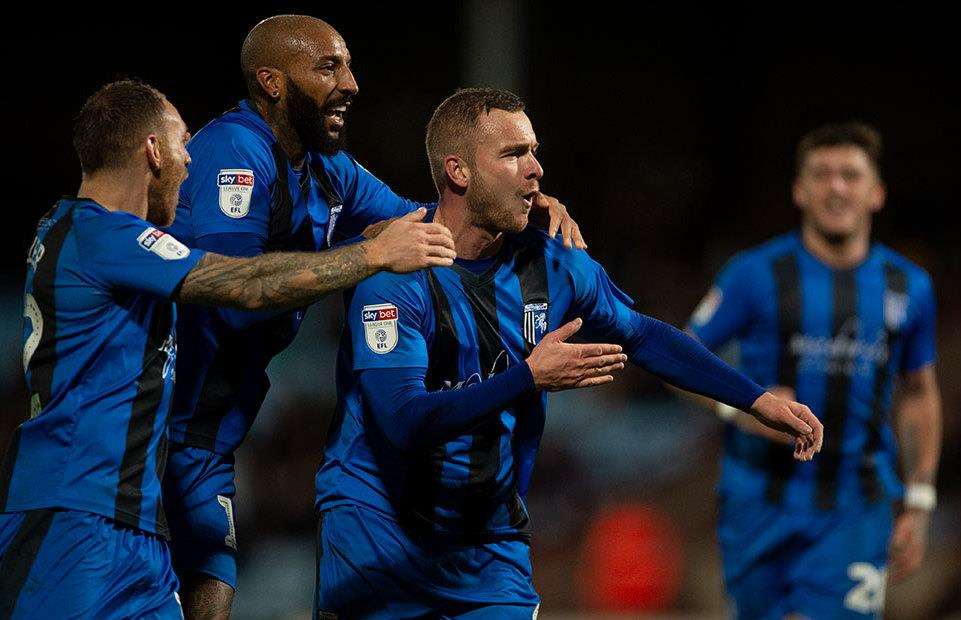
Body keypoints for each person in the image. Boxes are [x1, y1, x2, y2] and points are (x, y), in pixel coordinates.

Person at [313, 87, 823, 619]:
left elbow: (643, 334)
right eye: (513, 155)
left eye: (533, 151)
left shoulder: (556, 266)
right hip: (377, 538)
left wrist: (756, 399)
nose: (536, 170)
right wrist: (527, 378)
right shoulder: (397, 273)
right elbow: (401, 421)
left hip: (487, 547)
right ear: (458, 171)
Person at [162, 14, 583, 618]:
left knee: (210, 586)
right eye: (329, 67)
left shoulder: (329, 172)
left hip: (208, 436)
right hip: (154, 422)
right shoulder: (236, 151)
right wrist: (366, 255)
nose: (352, 83)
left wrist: (516, 207)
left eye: (350, 66)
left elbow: (437, 225)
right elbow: (237, 293)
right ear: (272, 81)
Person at [0, 79, 454, 619]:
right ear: (152, 150)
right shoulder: (101, 235)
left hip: (133, 527)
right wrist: (371, 255)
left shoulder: (84, 235)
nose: (191, 160)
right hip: (71, 517)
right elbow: (246, 287)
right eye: (182, 142)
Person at [684, 122, 942, 618]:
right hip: (757, 497)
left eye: (850, 174)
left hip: (855, 505)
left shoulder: (908, 287)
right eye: (822, 175)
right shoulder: (754, 274)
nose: (836, 187)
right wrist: (740, 407)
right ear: (799, 191)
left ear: (877, 193)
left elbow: (919, 391)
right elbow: (680, 356)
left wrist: (920, 498)